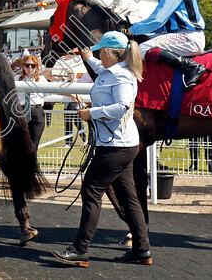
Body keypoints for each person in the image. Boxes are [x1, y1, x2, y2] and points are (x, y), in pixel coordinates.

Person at [52, 32, 151, 267]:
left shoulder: (122, 77)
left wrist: (92, 113)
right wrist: (87, 56)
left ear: (110, 53)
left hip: (115, 146)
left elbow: (122, 106)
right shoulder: (112, 70)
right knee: (129, 198)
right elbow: (99, 67)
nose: (98, 55)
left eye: (100, 51)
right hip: (119, 144)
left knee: (91, 191)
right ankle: (142, 249)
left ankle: (80, 250)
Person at [127, 0, 208, 91]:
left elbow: (158, 19)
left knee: (142, 49)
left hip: (189, 37)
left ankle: (191, 67)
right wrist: (140, 30)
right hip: (180, 34)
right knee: (144, 40)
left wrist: (133, 29)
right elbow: (161, 24)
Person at [17, 54, 47, 151]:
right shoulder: (17, 79)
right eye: (27, 65)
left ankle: (30, 166)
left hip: (36, 111)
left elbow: (56, 90)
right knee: (20, 144)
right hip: (20, 111)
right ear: (23, 67)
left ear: (36, 67)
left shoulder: (42, 80)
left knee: (33, 146)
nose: (30, 67)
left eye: (33, 65)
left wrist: (72, 95)